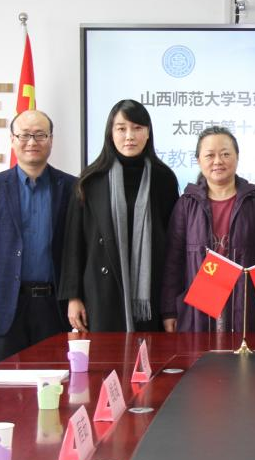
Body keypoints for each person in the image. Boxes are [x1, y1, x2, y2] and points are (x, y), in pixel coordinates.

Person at [0, 110, 75, 365]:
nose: (32, 142)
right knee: (7, 383)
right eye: (24, 135)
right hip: (6, 304)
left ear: (51, 140)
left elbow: (78, 249)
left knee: (54, 380)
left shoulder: (71, 187)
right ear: (12, 140)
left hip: (54, 306)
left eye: (40, 135)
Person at [59, 99, 178, 332]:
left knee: (149, 354)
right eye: (121, 128)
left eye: (137, 128)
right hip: (101, 293)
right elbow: (74, 243)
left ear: (148, 133)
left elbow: (173, 244)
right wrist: (73, 297)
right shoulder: (90, 180)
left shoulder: (163, 179)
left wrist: (171, 304)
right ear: (110, 133)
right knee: (106, 354)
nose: (129, 136)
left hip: (150, 292)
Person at [161, 127, 255, 332]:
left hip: (244, 305)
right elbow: (173, 261)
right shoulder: (186, 204)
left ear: (237, 157)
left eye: (225, 154)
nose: (218, 161)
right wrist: (169, 311)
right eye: (210, 155)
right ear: (198, 160)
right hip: (198, 310)